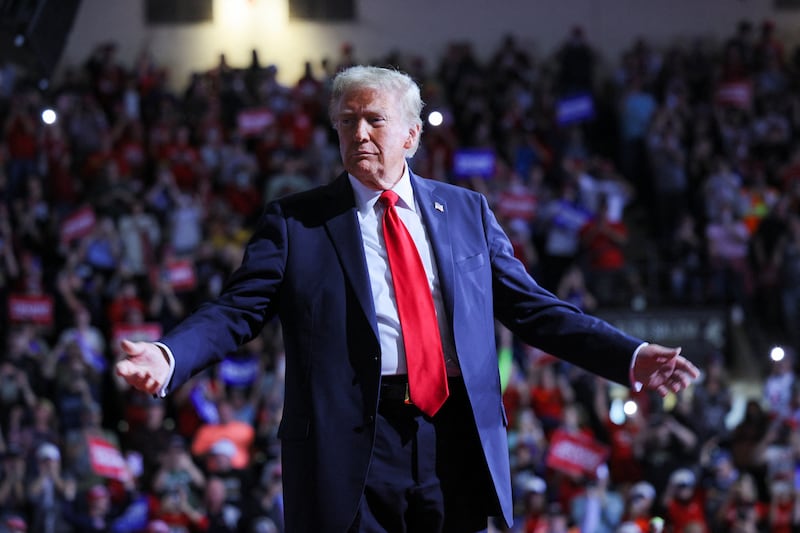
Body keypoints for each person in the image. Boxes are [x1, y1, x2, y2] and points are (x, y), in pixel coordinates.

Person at [116, 65, 700, 532]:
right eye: (347, 123)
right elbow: (236, 311)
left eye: (374, 120)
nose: (360, 134)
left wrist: (627, 355)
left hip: (455, 438)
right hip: (351, 446)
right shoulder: (297, 222)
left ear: (412, 135)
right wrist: (170, 355)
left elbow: (534, 308)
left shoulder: (466, 212)